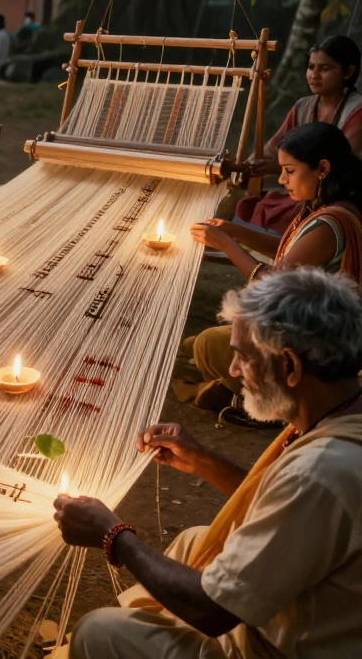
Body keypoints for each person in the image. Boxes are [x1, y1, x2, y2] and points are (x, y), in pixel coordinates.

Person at [53, 267, 362, 659]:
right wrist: (202, 460)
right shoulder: (341, 412)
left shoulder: (319, 472)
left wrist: (112, 534)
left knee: (99, 633)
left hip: (279, 649)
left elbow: (213, 612)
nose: (232, 371)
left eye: (243, 357)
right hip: (315, 609)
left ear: (290, 366)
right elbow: (280, 502)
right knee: (197, 541)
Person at [187, 122, 362, 422]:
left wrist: (226, 244)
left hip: (317, 342)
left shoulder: (330, 222)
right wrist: (235, 230)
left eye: (289, 171)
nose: (281, 179)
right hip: (315, 329)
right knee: (205, 344)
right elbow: (290, 251)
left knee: (206, 345)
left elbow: (276, 281)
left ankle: (274, 406)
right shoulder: (327, 208)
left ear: (322, 168)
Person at [239, 35, 362, 235]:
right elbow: (273, 148)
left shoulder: (357, 111)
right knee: (255, 205)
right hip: (305, 190)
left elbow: (341, 166)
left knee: (288, 213)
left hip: (336, 196)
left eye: (324, 68)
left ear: (348, 71)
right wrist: (245, 167)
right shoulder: (304, 106)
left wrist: (276, 167)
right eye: (311, 67)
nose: (314, 75)